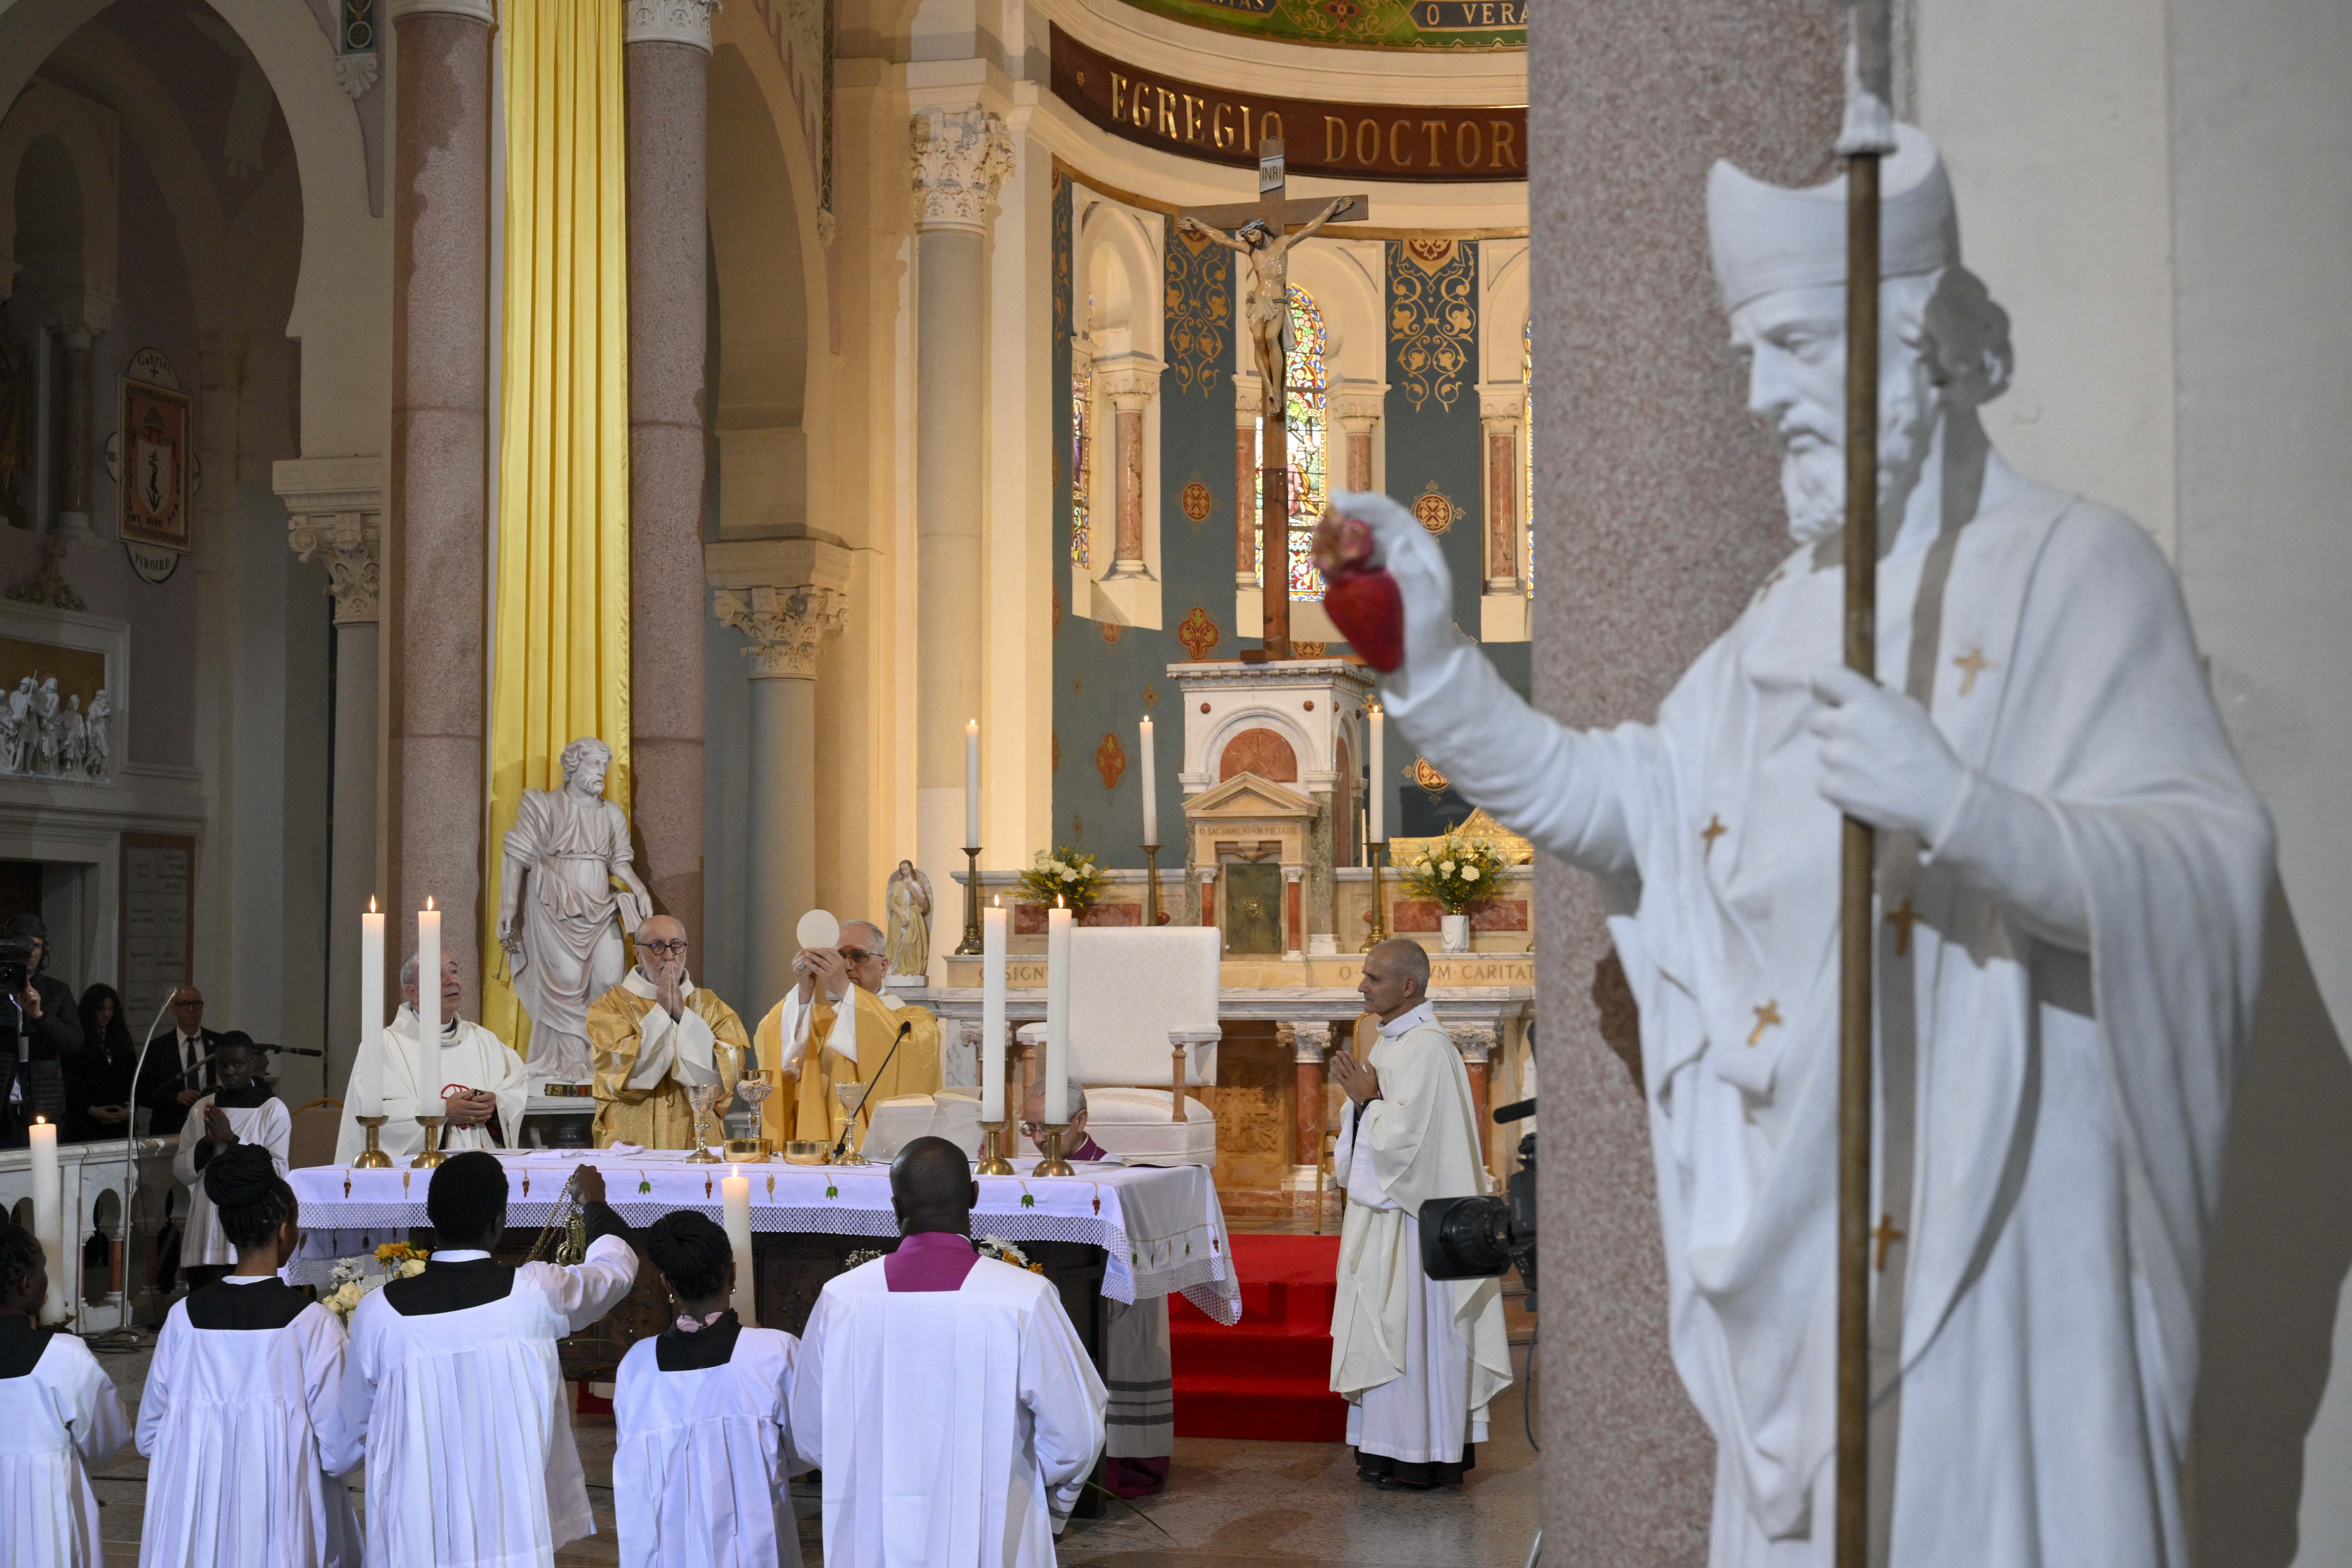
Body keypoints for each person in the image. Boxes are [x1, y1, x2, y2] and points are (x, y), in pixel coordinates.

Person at [1349, 124, 2273, 1563]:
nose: (1763, 398)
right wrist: (1436, 665)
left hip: (2011, 1240)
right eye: (1752, 357)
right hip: (1821, 1242)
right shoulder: (1778, 627)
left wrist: (1966, 809)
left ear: (1917, 350)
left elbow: (2210, 878)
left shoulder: (2075, 575)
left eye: (1791, 351)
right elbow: (1617, 798)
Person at [790, 1136, 1105, 1568]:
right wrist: (1013, 1481)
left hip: (873, 1528)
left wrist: (877, 1474)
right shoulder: (1022, 1297)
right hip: (996, 1521)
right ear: (974, 1196)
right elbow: (1077, 1437)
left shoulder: (841, 1300)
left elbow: (810, 1433)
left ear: (896, 1207)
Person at [341, 1152, 638, 1566]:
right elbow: (615, 1271)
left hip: (415, 1532)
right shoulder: (537, 1294)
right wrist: (594, 1203)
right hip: (510, 1526)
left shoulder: (379, 1313)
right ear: (500, 1223)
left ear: (431, 1218)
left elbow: (353, 1431)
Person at [1325, 938, 1511, 1488]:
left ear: (1408, 986)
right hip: (1385, 1219)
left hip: (1414, 1226)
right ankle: (1384, 1449)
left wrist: (1365, 1103)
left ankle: (1423, 1452)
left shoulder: (1428, 1048)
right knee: (1387, 1330)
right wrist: (1362, 1104)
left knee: (1412, 1333)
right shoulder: (1391, 1043)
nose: (1362, 987)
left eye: (1373, 978)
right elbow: (1378, 1132)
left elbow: (1410, 1148)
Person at [137, 1144, 362, 1566]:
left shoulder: (183, 1318)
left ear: (227, 1232)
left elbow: (150, 1437)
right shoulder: (311, 1324)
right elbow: (340, 1452)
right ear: (284, 1230)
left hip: (197, 1531)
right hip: (283, 1527)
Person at [613, 1211, 809, 1568]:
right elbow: (805, 1448)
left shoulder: (636, 1365)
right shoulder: (775, 1353)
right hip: (754, 1550)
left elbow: (635, 1468)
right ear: (732, 1273)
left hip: (665, 1551)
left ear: (666, 1284)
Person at [1023, 1080, 1171, 1497]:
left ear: (1081, 1121)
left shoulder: (1117, 1178)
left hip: (1107, 1304)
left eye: (1046, 1129)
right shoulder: (1021, 1175)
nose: (1036, 1141)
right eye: (1028, 1129)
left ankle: (1121, 1457)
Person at [496, 736, 654, 1088]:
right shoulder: (545, 806)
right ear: (573, 766)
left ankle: (601, 1054)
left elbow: (620, 862)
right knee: (566, 981)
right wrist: (508, 904)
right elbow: (517, 853)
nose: (602, 773)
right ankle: (568, 1061)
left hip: (600, 908)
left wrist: (640, 889)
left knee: (610, 978)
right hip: (554, 906)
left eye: (605, 766)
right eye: (594, 765)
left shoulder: (611, 813)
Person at [0, 1216, 127, 1566]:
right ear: (28, 1284)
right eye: (44, 1270)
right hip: (47, 1504)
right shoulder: (63, 1355)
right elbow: (105, 1436)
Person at [756, 920, 942, 1150]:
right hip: (818, 1147)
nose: (847, 965)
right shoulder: (819, 1019)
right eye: (839, 956)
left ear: (883, 966)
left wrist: (845, 988)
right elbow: (783, 1057)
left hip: (876, 1154)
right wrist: (804, 990)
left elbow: (907, 1060)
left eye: (859, 956)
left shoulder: (913, 1020)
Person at [333, 953, 528, 1164]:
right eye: (438, 976)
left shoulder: (484, 1040)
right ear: (413, 992)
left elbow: (516, 1086)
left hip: (482, 1170)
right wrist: (442, 1113)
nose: (451, 981)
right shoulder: (383, 1045)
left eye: (454, 971)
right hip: (415, 1177)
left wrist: (496, 1103)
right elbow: (373, 1112)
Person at [586, 915, 751, 1150]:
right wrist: (662, 1012)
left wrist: (683, 1017)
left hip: (697, 1134)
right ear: (637, 952)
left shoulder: (711, 1005)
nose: (669, 955)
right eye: (657, 946)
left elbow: (723, 1076)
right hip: (630, 1136)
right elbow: (620, 1073)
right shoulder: (610, 1006)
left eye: (676, 945)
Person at [171, 1034, 291, 1294]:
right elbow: (182, 1171)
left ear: (253, 1062)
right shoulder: (202, 1108)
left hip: (251, 1225)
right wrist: (206, 1143)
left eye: (237, 1064)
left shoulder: (272, 1109)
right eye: (222, 1065)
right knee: (206, 1306)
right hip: (206, 1224)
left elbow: (278, 1172)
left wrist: (232, 1139)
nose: (229, 1071)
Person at [3, 913, 85, 1147]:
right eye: (25, 944)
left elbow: (75, 1043)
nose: (31, 952)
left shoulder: (57, 991)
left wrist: (40, 1016)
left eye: (37, 946)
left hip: (43, 1110)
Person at [137, 984, 222, 1138]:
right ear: (173, 1009)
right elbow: (144, 1093)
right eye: (184, 1004)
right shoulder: (158, 1048)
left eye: (196, 1004)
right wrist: (176, 1097)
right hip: (171, 1126)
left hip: (211, 1126)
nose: (191, 1010)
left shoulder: (219, 1043)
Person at [61, 984, 135, 1143]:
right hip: (87, 1125)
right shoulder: (78, 1038)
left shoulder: (120, 1039)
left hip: (121, 1123)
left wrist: (129, 1110)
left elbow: (133, 1078)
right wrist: (91, 1110)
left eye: (111, 1009)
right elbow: (71, 1081)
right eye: (101, 1009)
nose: (106, 1014)